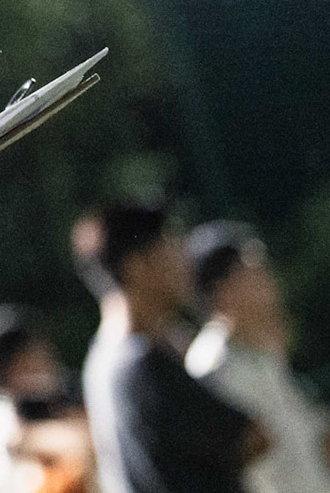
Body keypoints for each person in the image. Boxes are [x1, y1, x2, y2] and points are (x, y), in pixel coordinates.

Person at [74, 201, 269, 493]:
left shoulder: (101, 361)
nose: (184, 259)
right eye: (171, 246)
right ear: (136, 266)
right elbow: (252, 439)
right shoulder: (142, 365)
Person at [184, 222, 330, 493]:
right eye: (256, 272)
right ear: (223, 290)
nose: (270, 282)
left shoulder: (261, 355)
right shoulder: (212, 369)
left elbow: (308, 431)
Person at [0, 304, 77, 493]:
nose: (46, 356)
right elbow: (22, 441)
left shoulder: (48, 401)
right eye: (31, 354)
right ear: (10, 368)